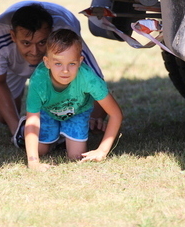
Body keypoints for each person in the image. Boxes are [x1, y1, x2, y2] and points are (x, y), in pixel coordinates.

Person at [0, 1, 107, 148]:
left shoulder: (65, 35)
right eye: (26, 43)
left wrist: (94, 118)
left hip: (56, 63)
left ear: (51, 33)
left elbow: (95, 81)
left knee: (73, 113)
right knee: (4, 117)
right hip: (14, 66)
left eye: (42, 42)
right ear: (13, 36)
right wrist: (18, 131)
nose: (35, 52)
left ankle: (62, 125)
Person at [24, 29, 123, 171]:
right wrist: (33, 161)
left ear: (80, 61)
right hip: (48, 111)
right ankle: (30, 128)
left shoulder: (89, 79)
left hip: (77, 112)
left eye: (71, 64)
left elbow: (115, 114)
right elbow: (33, 120)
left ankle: (66, 134)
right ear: (47, 62)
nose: (65, 70)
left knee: (75, 155)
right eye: (58, 63)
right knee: (41, 151)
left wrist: (102, 151)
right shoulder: (38, 80)